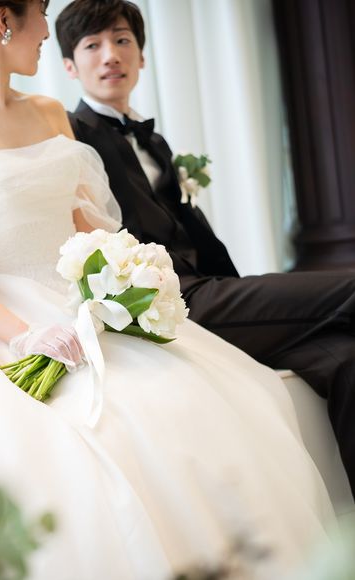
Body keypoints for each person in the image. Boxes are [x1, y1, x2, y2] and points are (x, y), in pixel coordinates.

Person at [0, 1, 335, 578]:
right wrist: (27, 336)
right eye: (40, 14)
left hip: (77, 304)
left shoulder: (48, 112)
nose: (47, 31)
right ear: (5, 20)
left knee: (209, 396)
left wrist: (125, 274)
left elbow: (87, 228)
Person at [55, 0, 355, 499]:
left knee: (346, 357)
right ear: (69, 66)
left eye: (123, 40)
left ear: (142, 57)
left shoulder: (154, 141)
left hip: (212, 288)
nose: (110, 55)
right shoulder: (73, 135)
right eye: (93, 45)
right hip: (171, 303)